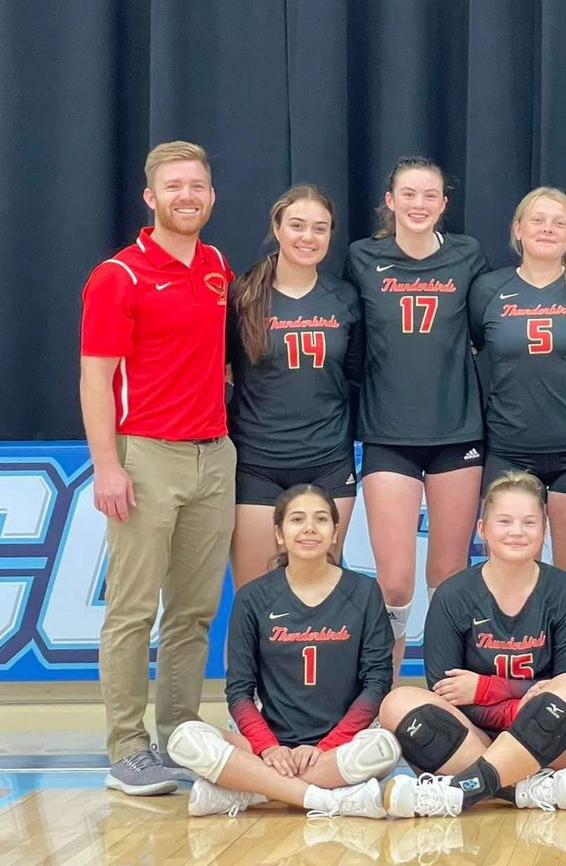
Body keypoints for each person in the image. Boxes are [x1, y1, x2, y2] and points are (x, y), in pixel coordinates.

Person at [80, 141, 237, 794]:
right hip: (145, 455)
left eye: (197, 186)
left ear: (211, 196)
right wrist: (107, 464)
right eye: (174, 187)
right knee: (132, 611)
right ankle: (125, 748)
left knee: (195, 611)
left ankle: (179, 734)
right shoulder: (119, 275)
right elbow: (95, 377)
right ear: (151, 197)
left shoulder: (217, 266)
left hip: (215, 455)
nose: (187, 196)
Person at [166, 485, 399, 818]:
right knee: (184, 737)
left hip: (340, 748)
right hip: (268, 744)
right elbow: (239, 692)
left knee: (384, 749)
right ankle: (327, 800)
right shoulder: (253, 597)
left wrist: (327, 747)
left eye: (321, 519)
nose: (309, 528)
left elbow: (377, 683)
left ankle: (254, 792)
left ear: (335, 532)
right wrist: (268, 747)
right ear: (279, 533)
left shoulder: (363, 591)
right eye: (297, 519)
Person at [469, 187, 566, 692]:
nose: (547, 229)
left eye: (559, 222)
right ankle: (503, 704)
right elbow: (466, 350)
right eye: (537, 220)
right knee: (510, 579)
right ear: (517, 229)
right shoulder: (488, 289)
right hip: (510, 453)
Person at [378, 471, 566, 817]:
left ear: (544, 531)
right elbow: (446, 693)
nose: (516, 532)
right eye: (505, 521)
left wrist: (483, 688)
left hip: (551, 750)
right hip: (471, 741)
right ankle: (521, 790)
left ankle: (461, 791)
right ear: (482, 529)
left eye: (529, 522)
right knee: (397, 702)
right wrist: (521, 696)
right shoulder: (454, 594)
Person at [345, 156, 490, 673]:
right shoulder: (363, 258)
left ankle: (446, 695)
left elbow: (488, 332)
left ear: (444, 204)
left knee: (450, 575)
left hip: (457, 433)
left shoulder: (468, 255)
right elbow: (351, 341)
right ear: (389, 200)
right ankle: (382, 697)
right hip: (389, 433)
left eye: (430, 195)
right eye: (408, 194)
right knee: (395, 581)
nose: (419, 204)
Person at [228, 185, 362, 591]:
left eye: (320, 229)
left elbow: (356, 372)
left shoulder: (344, 297)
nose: (308, 237)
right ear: (277, 227)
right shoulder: (244, 296)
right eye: (298, 226)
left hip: (328, 462)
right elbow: (221, 370)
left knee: (321, 598)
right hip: (257, 463)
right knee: (254, 601)